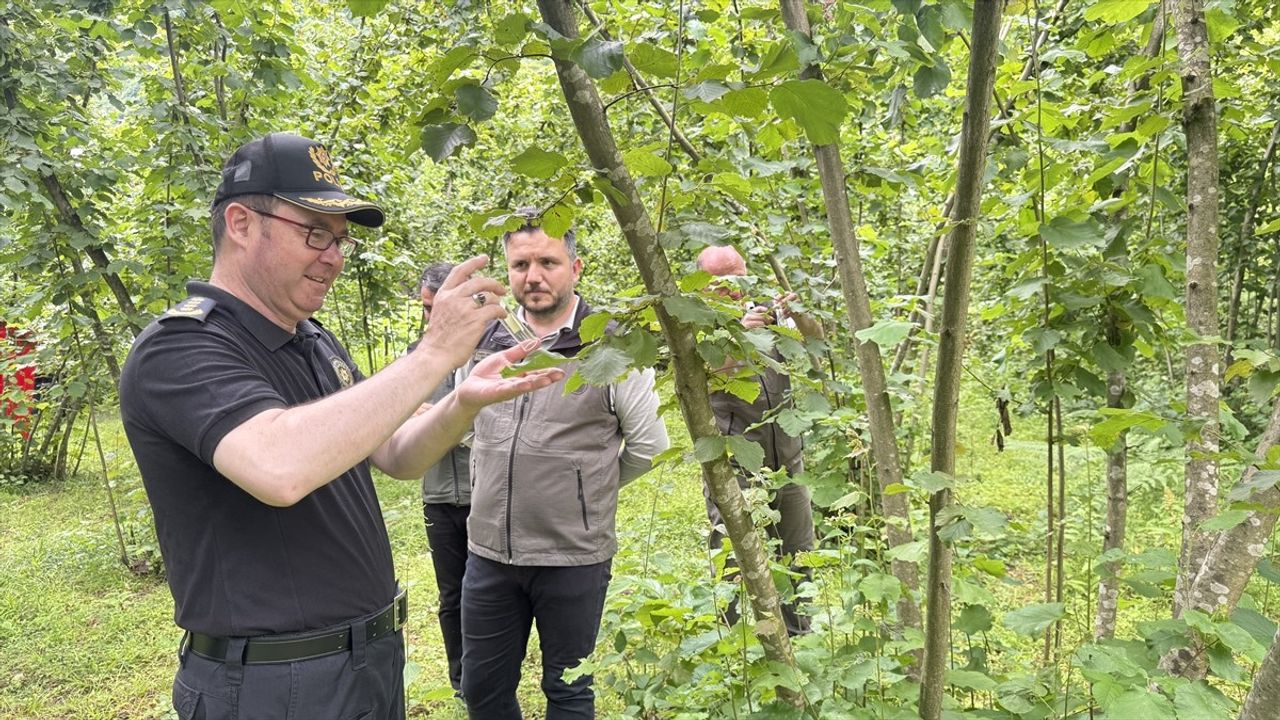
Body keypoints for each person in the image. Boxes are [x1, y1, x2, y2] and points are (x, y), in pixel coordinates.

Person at [119, 133, 562, 720]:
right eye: (314, 234)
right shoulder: (181, 348)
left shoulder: (313, 339)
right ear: (242, 223)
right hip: (272, 681)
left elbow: (398, 455)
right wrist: (432, 353)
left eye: (340, 240)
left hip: (367, 659)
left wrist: (462, 404)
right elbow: (278, 466)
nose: (333, 256)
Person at [460, 212, 670, 719]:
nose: (533, 276)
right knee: (482, 690)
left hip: (572, 557)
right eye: (521, 264)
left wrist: (585, 493)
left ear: (574, 268)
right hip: (488, 553)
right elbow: (464, 425)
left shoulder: (612, 345)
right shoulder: (483, 340)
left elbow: (648, 445)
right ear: (508, 274)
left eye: (548, 262)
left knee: (569, 690)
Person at [697, 244, 819, 637]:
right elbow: (700, 377)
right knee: (730, 555)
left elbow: (815, 340)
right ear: (703, 282)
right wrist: (738, 336)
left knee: (799, 552)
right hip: (733, 463)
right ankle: (732, 646)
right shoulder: (697, 322)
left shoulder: (769, 308)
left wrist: (797, 312)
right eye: (720, 281)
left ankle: (798, 637)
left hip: (787, 457)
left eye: (736, 277)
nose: (731, 288)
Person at [412, 260, 471, 696]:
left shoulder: (488, 353)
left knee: (491, 593)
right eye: (426, 308)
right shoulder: (417, 359)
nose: (431, 318)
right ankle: (461, 679)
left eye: (438, 307)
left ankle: (493, 672)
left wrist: (442, 420)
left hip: (485, 492)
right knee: (451, 595)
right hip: (437, 495)